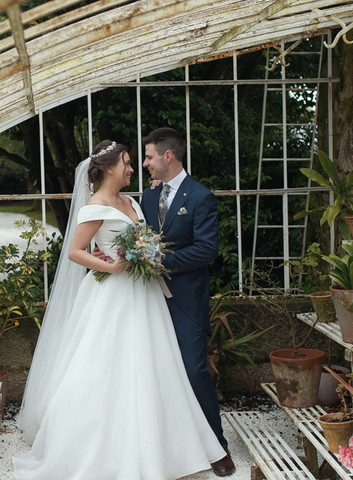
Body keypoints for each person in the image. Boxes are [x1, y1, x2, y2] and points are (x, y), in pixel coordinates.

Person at [14, 140, 227, 479]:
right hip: (113, 296)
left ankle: (168, 446)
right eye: (128, 162)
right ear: (111, 167)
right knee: (106, 368)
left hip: (146, 295)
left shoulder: (134, 201)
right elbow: (75, 251)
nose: (134, 167)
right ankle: (105, 448)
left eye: (138, 160)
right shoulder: (94, 206)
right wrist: (111, 267)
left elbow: (147, 237)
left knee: (156, 366)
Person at [140, 127, 235, 476]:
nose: (145, 163)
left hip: (186, 300)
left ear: (168, 156)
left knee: (194, 369)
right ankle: (167, 447)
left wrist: (161, 261)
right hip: (147, 299)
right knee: (155, 373)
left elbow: (208, 248)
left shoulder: (201, 197)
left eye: (149, 156)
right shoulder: (148, 197)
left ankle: (217, 448)